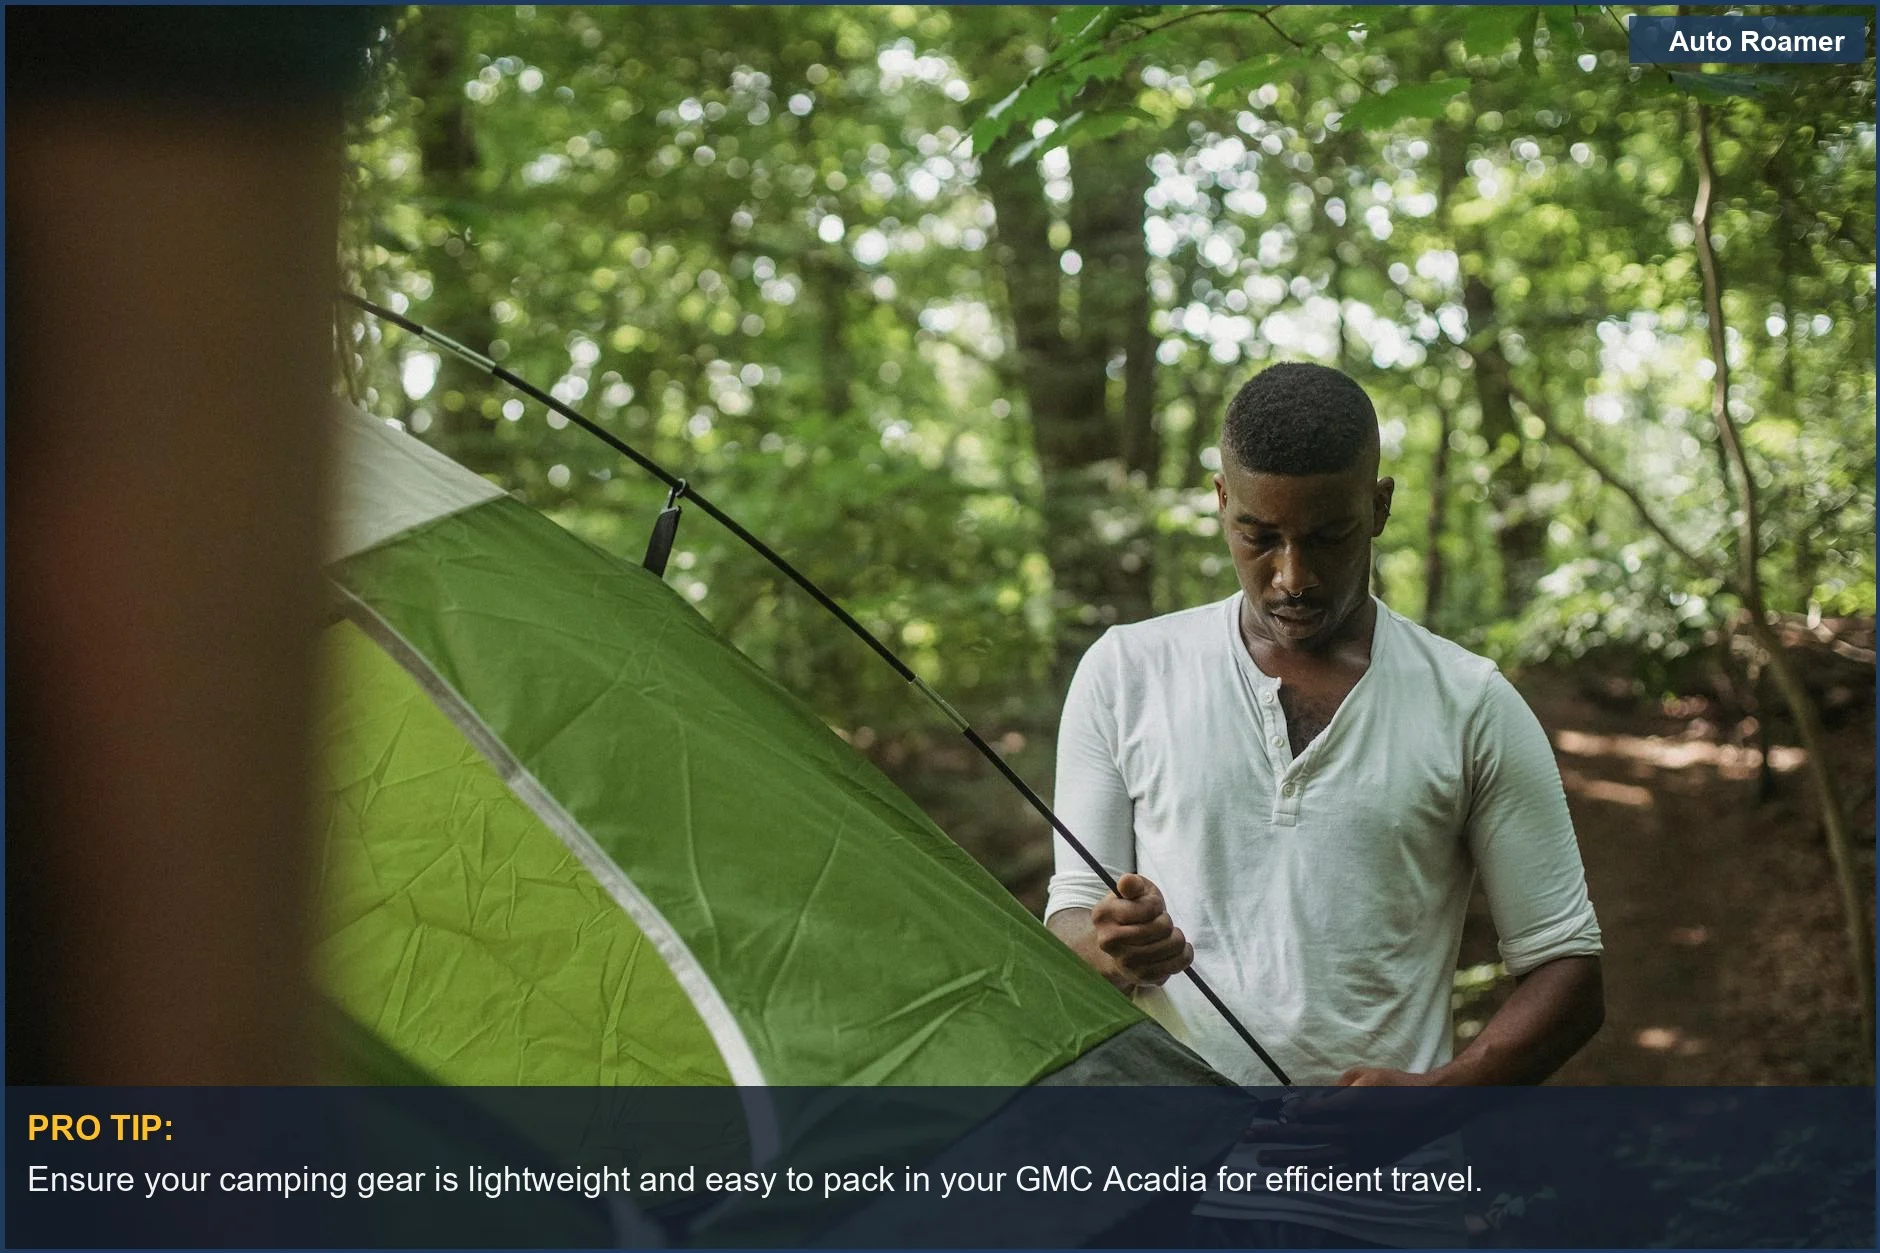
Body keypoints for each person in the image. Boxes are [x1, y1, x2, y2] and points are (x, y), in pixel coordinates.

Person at [1045, 362, 1604, 1245]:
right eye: (1258, 536)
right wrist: (1112, 943)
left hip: (1374, 1210)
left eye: (1330, 536)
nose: (1291, 577)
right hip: (1148, 1194)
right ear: (1220, 500)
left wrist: (1435, 1104)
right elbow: (1068, 929)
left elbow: (1569, 969)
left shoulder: (1472, 704)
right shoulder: (1125, 673)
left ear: (1378, 508)